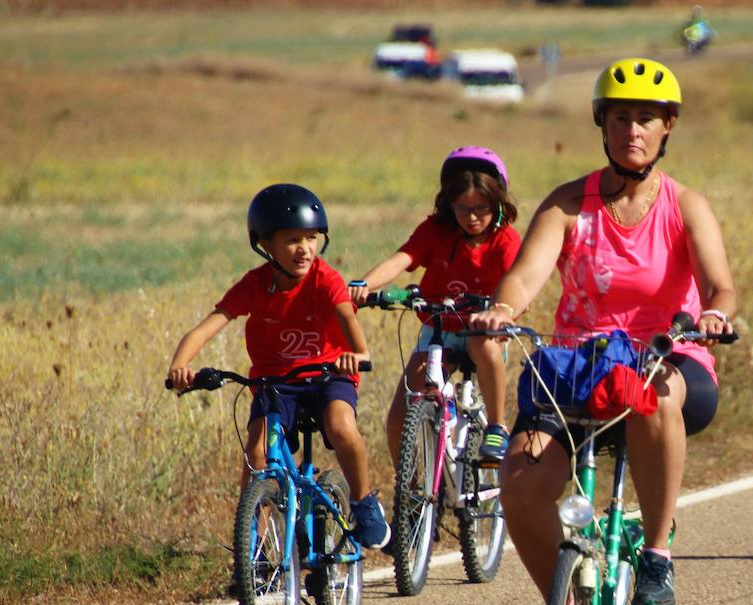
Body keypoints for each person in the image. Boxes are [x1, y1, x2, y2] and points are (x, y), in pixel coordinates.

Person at [480, 57, 737, 605]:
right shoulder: (569, 204)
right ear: (602, 125)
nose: (633, 131)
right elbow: (526, 274)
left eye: (646, 118)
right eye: (620, 118)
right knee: (520, 483)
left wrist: (714, 317)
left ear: (668, 125)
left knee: (653, 392)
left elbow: (720, 287)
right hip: (579, 364)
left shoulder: (684, 206)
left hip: (667, 357)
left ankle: (656, 556)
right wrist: (503, 308)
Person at [167, 183, 390, 548]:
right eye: (291, 240)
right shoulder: (255, 285)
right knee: (257, 453)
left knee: (340, 425)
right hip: (275, 383)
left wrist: (356, 356)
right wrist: (181, 365)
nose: (304, 249)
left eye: (311, 238)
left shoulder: (326, 280)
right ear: (265, 244)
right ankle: (251, 548)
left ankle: (363, 502)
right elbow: (210, 323)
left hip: (328, 375)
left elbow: (356, 338)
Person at [349, 147, 521, 467]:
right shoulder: (435, 231)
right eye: (462, 208)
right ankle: (413, 498)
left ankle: (497, 426)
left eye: (481, 208)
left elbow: (518, 284)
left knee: (480, 343)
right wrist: (364, 285)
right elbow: (403, 259)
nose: (471, 217)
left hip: (482, 331)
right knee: (401, 415)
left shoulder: (506, 241)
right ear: (448, 205)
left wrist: (501, 311)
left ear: (498, 203)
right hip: (440, 329)